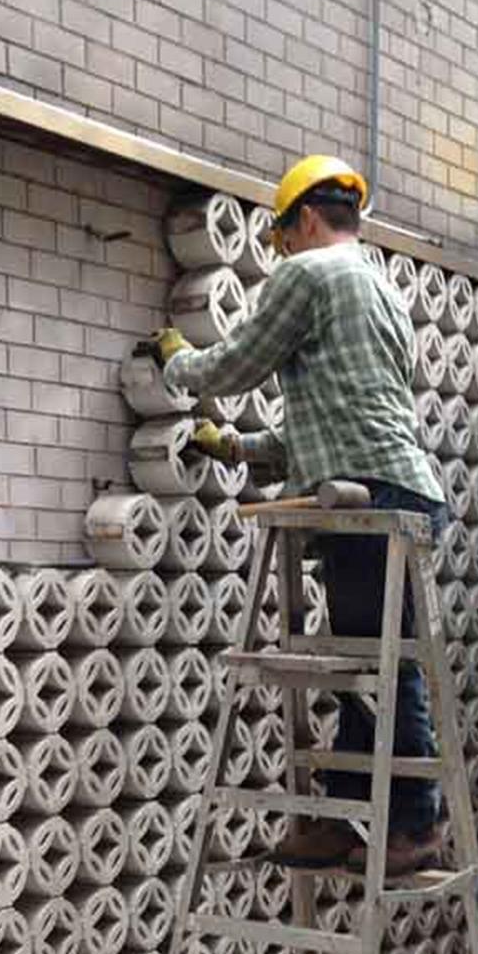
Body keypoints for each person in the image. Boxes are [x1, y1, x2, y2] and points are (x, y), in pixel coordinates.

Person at [153, 153, 449, 876]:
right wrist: (236, 446)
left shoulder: (308, 274)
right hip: (395, 489)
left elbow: (235, 366)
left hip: (371, 502)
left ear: (305, 221)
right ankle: (346, 816)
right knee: (360, 667)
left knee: (383, 669)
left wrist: (177, 362)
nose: (280, 252)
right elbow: (334, 420)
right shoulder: (378, 289)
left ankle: (416, 823)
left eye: (281, 237)